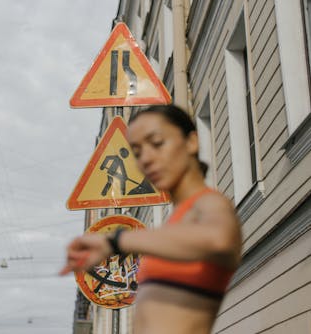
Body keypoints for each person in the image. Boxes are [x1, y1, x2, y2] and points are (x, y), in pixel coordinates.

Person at [60, 105, 242, 334]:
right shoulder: (179, 221)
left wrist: (115, 242)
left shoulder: (209, 203)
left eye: (156, 143)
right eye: (137, 152)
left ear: (191, 142)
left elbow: (219, 238)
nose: (145, 158)